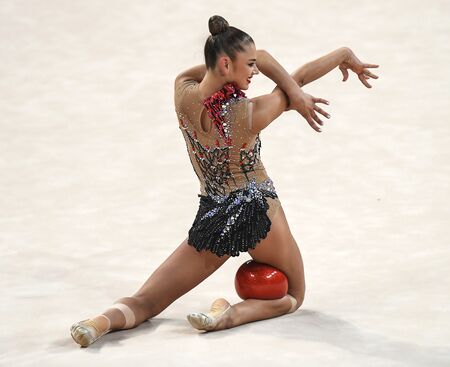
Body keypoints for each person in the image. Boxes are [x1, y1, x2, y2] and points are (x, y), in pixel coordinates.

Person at [70, 14, 378, 347]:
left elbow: (239, 64)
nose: (255, 71)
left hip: (214, 217)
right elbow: (297, 76)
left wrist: (232, 67)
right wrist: (340, 56)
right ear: (227, 64)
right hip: (259, 213)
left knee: (147, 301)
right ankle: (228, 314)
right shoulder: (247, 114)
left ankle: (98, 323)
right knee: (293, 294)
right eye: (249, 65)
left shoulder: (182, 92)